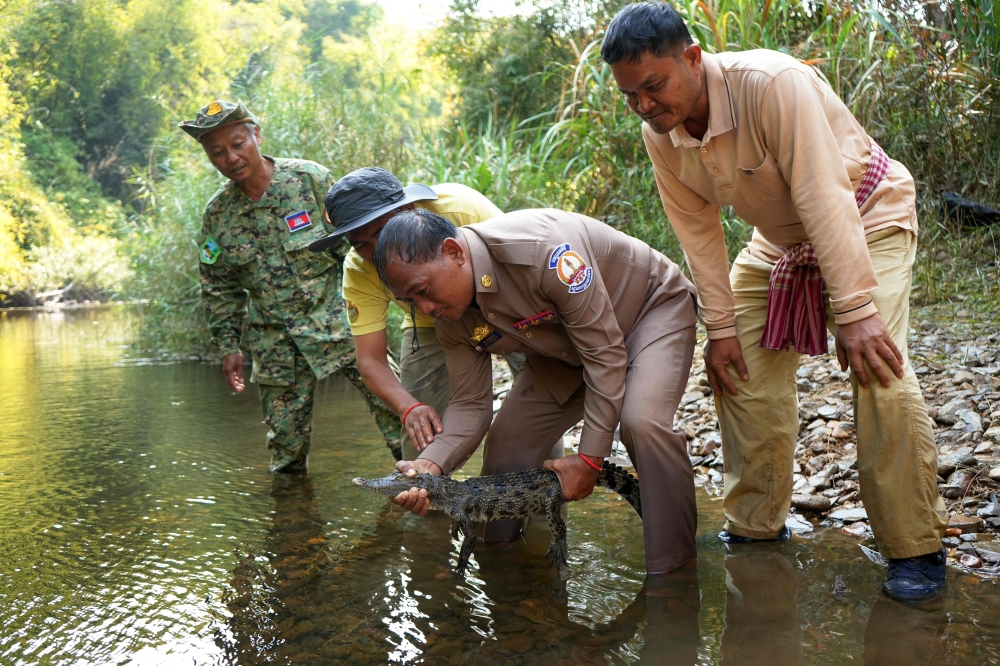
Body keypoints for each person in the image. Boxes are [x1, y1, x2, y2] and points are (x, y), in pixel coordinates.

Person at [601, 2, 947, 600]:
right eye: (631, 96)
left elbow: (823, 194)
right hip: (779, 244)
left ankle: (916, 548)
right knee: (737, 371)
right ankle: (756, 527)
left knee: (878, 368)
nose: (645, 107)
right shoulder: (660, 134)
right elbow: (698, 233)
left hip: (867, 214)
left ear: (692, 58)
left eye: (653, 87)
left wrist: (857, 311)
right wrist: (722, 327)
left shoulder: (771, 84)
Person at [372, 207, 700, 574]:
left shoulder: (544, 252)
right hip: (565, 352)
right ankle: (502, 571)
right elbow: (468, 404)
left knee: (641, 423)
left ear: (454, 252)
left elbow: (604, 355)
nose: (426, 308)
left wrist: (590, 459)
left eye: (423, 291)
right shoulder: (453, 317)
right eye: (411, 302)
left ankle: (674, 575)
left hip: (647, 314)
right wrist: (429, 466)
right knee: (508, 442)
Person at [179, 100, 401, 473]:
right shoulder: (218, 215)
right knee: (286, 453)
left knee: (398, 408)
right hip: (275, 345)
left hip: (341, 324)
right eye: (217, 152)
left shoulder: (310, 181)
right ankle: (292, 524)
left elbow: (359, 246)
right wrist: (228, 346)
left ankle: (429, 483)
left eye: (238, 143)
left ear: (256, 135)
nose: (231, 157)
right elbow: (218, 286)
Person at [308, 168, 522, 461]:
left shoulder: (461, 209)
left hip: (508, 305)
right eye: (361, 245)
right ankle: (423, 495)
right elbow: (370, 359)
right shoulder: (359, 268)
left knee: (537, 407)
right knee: (420, 433)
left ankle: (543, 501)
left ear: (407, 208)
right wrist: (409, 408)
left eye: (381, 233)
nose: (376, 253)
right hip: (430, 323)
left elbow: (521, 268)